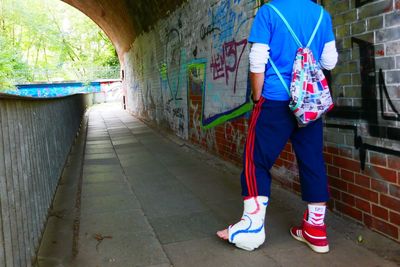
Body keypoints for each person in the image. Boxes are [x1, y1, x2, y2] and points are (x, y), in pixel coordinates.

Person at [217, 0, 338, 253]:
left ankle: (251, 227)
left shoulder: (269, 12)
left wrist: (258, 97)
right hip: (308, 104)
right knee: (312, 161)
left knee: (256, 160)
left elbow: (257, 60)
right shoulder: (322, 15)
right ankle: (316, 231)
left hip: (275, 99)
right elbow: (329, 61)